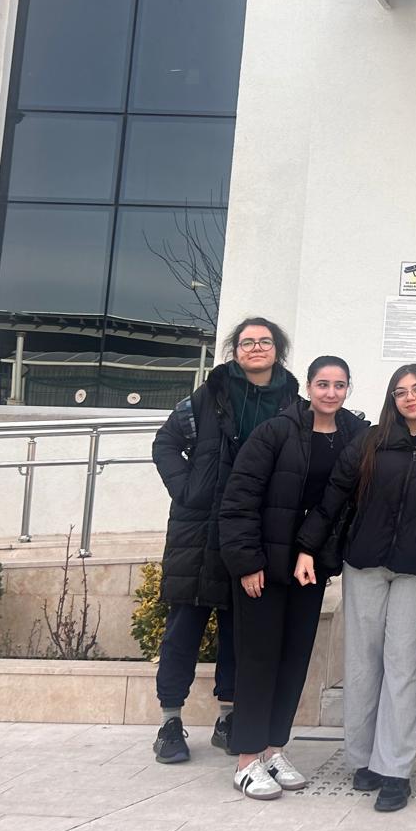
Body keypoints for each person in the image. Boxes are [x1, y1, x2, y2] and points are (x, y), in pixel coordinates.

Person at [293, 363, 416, 814]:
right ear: (392, 399)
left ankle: (395, 769)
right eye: (400, 391)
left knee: (402, 665)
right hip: (365, 564)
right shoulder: (370, 440)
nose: (410, 397)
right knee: (362, 663)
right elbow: (334, 494)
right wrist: (308, 547)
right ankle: (363, 758)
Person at [218, 355, 369, 800]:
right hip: (264, 566)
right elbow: (239, 499)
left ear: (348, 389)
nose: (331, 393)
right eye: (323, 384)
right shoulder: (276, 432)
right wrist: (247, 563)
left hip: (310, 566)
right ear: (308, 386)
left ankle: (273, 750)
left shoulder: (355, 436)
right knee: (258, 660)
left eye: (339, 385)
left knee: (293, 660)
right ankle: (247, 760)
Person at [150, 316, 296, 765]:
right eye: (247, 342)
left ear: (277, 350)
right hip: (200, 530)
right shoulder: (207, 396)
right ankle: (170, 722)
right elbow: (165, 443)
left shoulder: (292, 402)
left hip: (252, 531)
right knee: (184, 628)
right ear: (235, 350)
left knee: (239, 631)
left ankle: (228, 718)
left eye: (265, 342)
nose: (256, 348)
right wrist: (187, 489)